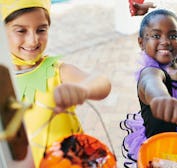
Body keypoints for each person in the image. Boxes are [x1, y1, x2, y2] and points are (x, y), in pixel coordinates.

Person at [1, 0, 111, 167]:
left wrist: (83, 89)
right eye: (21, 31)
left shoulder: (57, 71)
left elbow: (102, 83)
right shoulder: (4, 82)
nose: (33, 40)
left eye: (41, 30)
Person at [120, 8, 177, 167]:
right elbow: (151, 83)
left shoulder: (176, 59)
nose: (166, 41)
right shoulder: (150, 72)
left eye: (173, 35)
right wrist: (161, 97)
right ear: (141, 42)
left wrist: (158, 6)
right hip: (164, 150)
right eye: (156, 35)